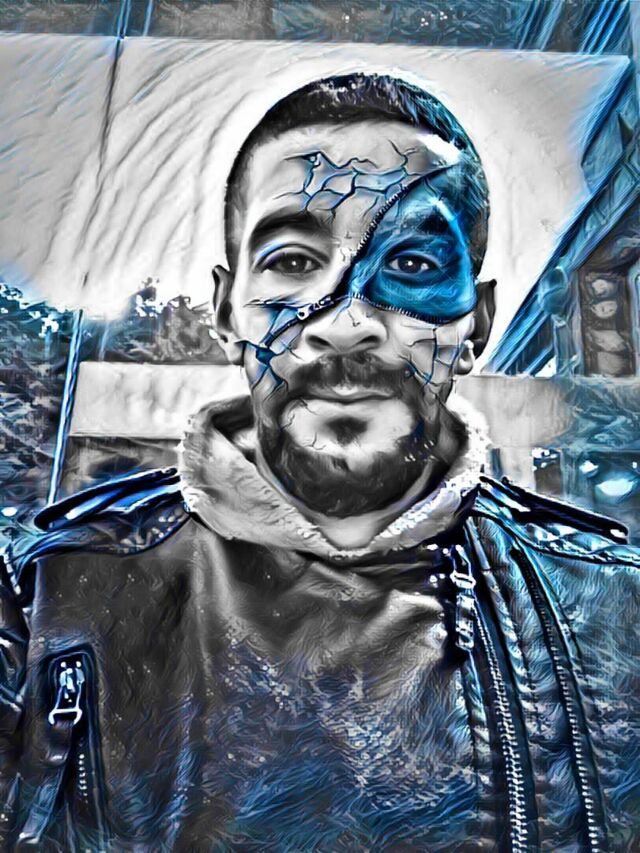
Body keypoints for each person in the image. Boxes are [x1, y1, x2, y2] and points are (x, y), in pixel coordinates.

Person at [2, 74, 639, 852]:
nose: (345, 322)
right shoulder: (48, 599)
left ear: (476, 322)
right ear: (227, 309)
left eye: (411, 263)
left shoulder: (616, 610)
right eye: (295, 259)